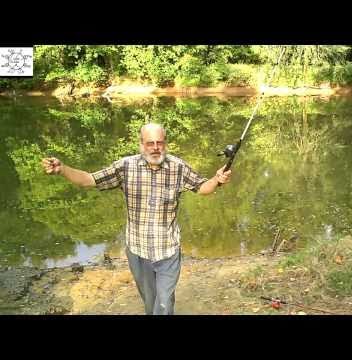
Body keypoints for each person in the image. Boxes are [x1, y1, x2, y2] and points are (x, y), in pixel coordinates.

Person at [41, 123, 232, 315]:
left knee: (164, 302)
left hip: (168, 250)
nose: (155, 148)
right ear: (141, 144)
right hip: (138, 251)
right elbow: (88, 180)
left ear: (165, 144)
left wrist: (216, 179)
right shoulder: (125, 167)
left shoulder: (178, 167)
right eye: (150, 143)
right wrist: (62, 169)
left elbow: (202, 188)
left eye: (160, 142)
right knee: (151, 304)